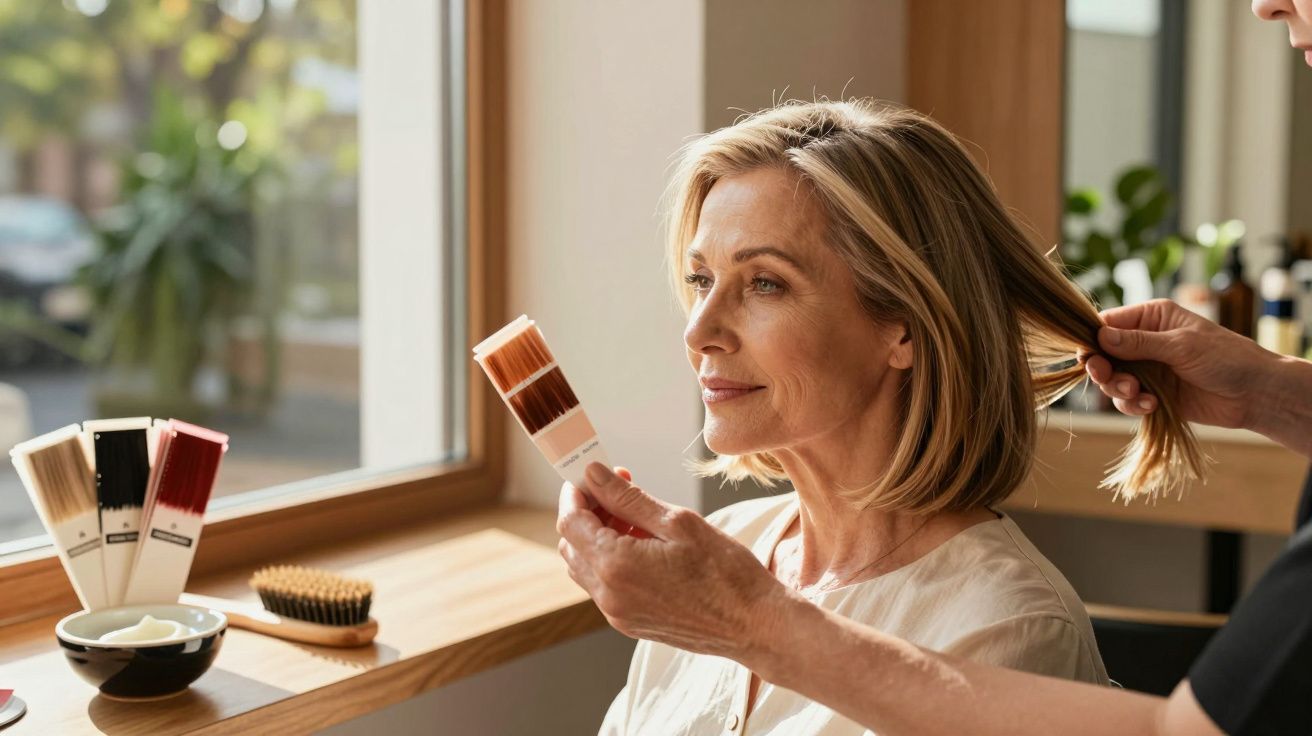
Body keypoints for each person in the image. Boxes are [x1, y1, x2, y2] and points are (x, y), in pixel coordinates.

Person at [558, 2, 1312, 733]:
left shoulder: (1002, 625)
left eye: (765, 283)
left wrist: (744, 620)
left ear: (904, 329)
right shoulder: (718, 554)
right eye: (698, 281)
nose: (699, 330)